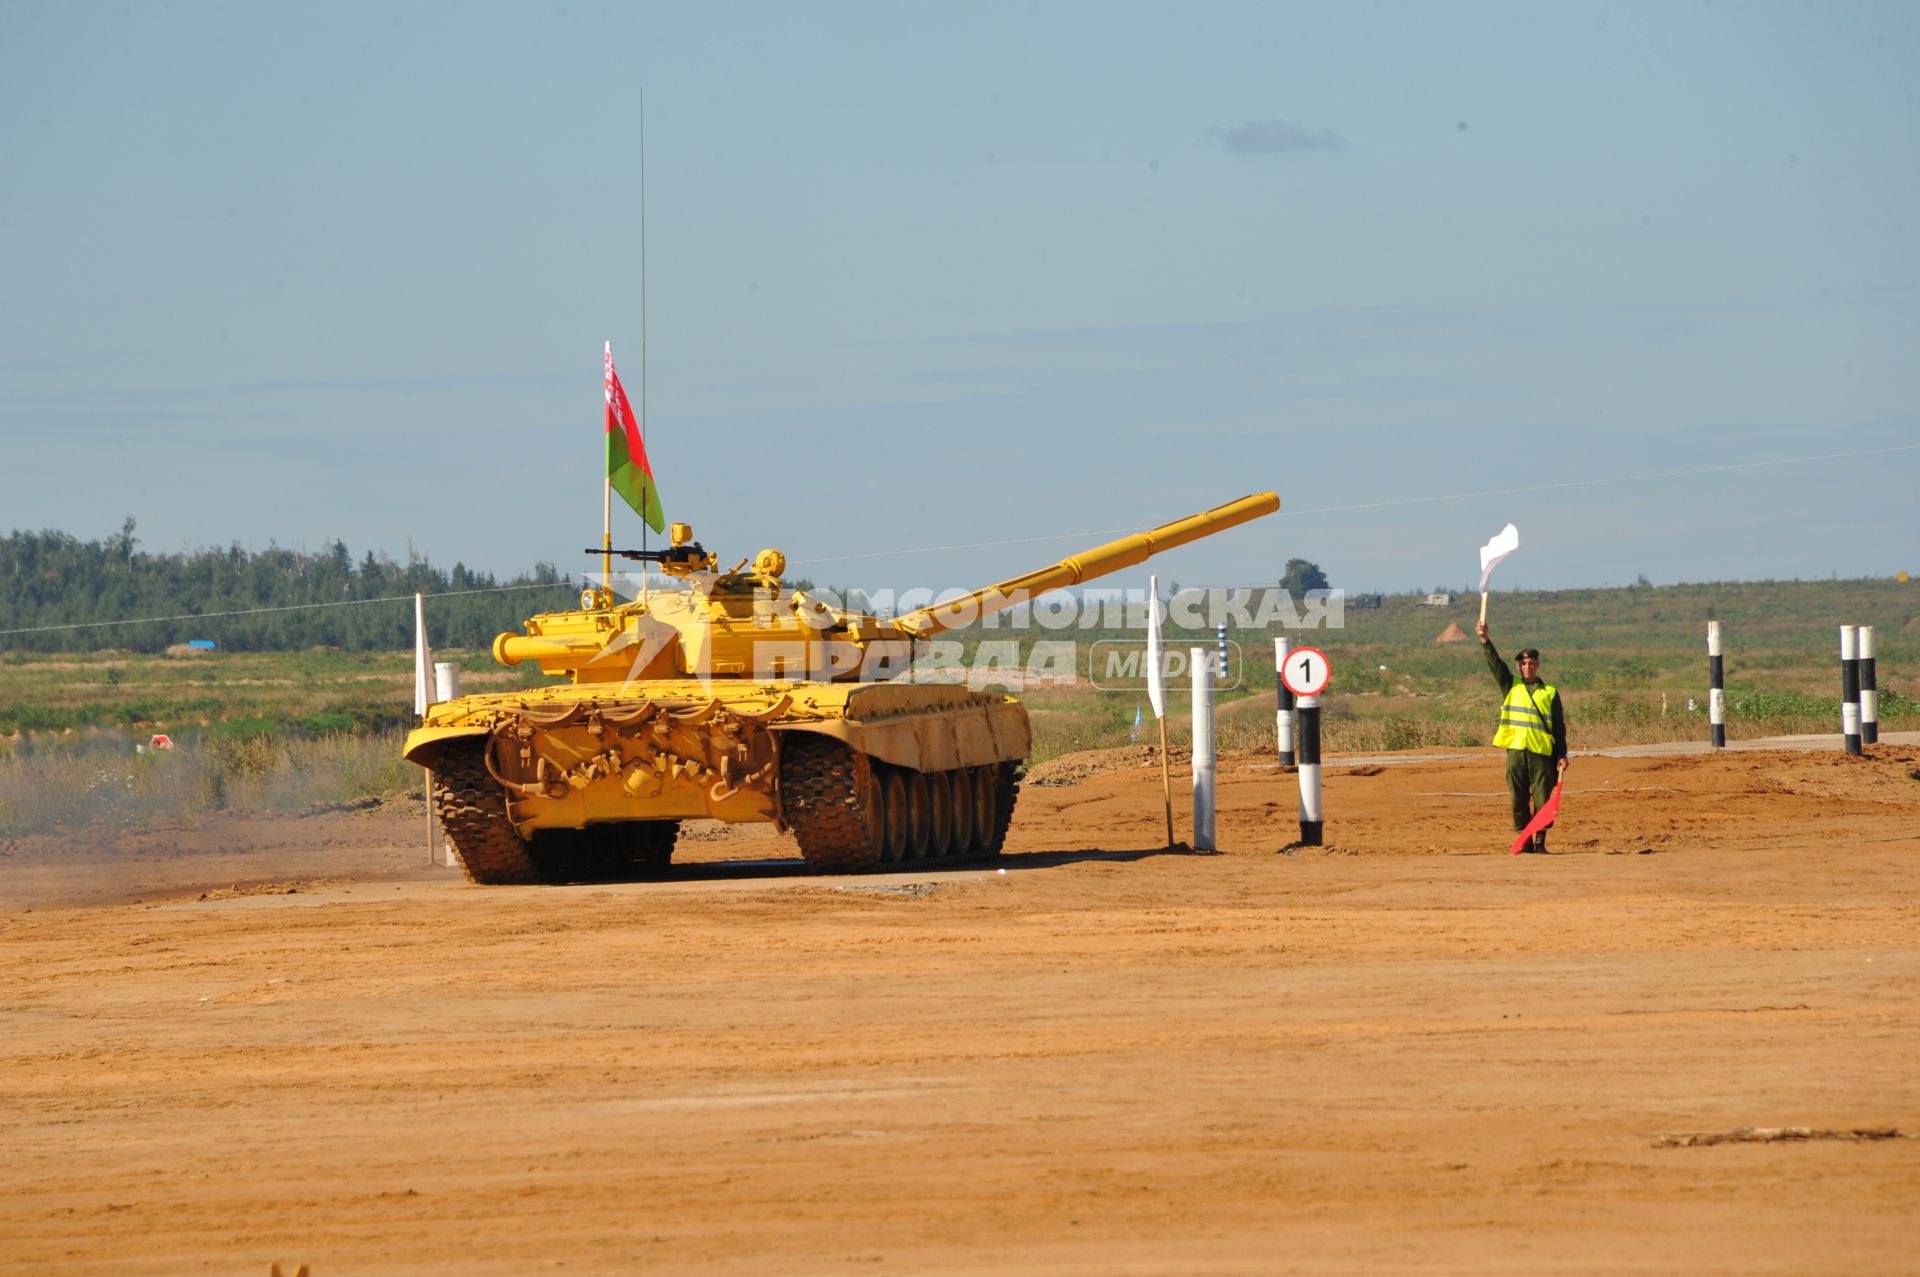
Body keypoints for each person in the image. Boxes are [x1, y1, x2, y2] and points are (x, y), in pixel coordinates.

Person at [1475, 619, 1568, 852]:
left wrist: (1562, 754)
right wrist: (1485, 640)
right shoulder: (1510, 685)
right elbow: (1495, 664)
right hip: (1516, 751)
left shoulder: (1550, 693)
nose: (1527, 666)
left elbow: (1559, 726)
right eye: (1524, 663)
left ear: (1538, 665)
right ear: (1519, 667)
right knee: (1518, 799)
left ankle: (1540, 841)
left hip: (1541, 753)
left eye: (1531, 663)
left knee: (1542, 800)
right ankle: (1524, 839)